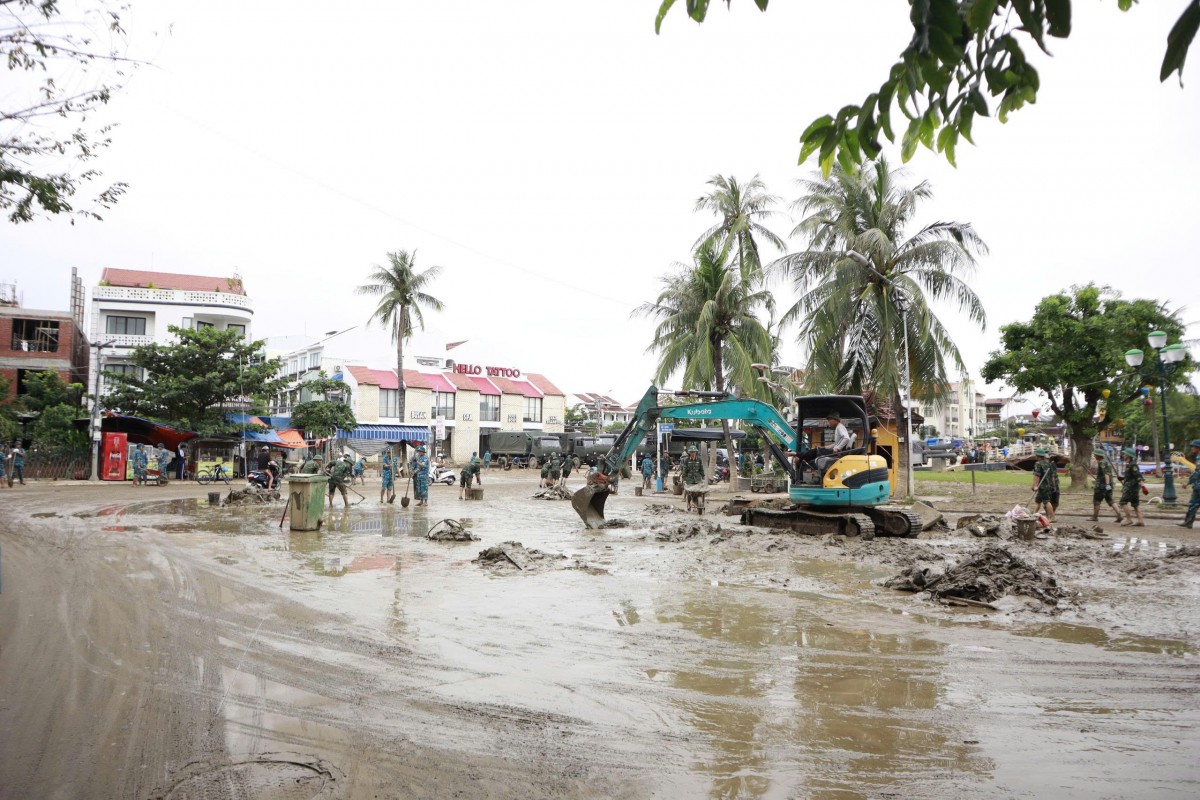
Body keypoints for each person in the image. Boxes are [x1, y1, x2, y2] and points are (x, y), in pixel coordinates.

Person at [1090, 451, 1121, 523]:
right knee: (1110, 500)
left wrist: (1107, 484)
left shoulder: (1102, 463)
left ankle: (1095, 517)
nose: (1094, 456)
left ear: (1098, 455)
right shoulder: (1107, 462)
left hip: (1102, 486)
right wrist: (1109, 485)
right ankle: (1119, 515)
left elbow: (1106, 474)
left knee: (1097, 501)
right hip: (1109, 485)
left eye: (1095, 455)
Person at [1118, 447, 1146, 527]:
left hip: (1130, 488)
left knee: (1123, 502)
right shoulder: (1129, 465)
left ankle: (1128, 519)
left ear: (1128, 456)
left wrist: (1143, 486)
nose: (1123, 455)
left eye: (1125, 454)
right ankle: (1140, 521)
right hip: (1132, 488)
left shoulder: (1133, 465)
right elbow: (1130, 476)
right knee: (1135, 504)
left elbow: (1138, 476)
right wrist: (1122, 478)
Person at [1031, 447, 1060, 522]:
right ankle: (1033, 515)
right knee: (1038, 501)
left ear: (1037, 456)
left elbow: (1037, 476)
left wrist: (1035, 486)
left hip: (1042, 486)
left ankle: (1052, 517)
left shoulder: (1038, 464)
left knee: (1046, 502)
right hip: (1048, 485)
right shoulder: (1048, 464)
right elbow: (1052, 476)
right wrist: (1053, 486)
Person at [1177, 439, 1200, 529]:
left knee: (1193, 503)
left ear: (1198, 448)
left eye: (1193, 447)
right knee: (1193, 504)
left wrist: (1188, 482)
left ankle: (1188, 521)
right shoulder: (1198, 457)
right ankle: (1188, 522)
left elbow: (1197, 473)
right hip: (1197, 486)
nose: (1192, 448)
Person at [681, 446, 705, 511]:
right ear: (689, 453)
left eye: (694, 452)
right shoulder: (687, 460)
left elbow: (701, 470)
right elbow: (684, 471)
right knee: (690, 493)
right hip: (689, 480)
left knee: (699, 492)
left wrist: (703, 478)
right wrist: (684, 480)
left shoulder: (699, 460)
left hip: (698, 480)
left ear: (696, 452)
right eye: (691, 452)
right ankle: (689, 503)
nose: (693, 453)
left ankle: (698, 504)